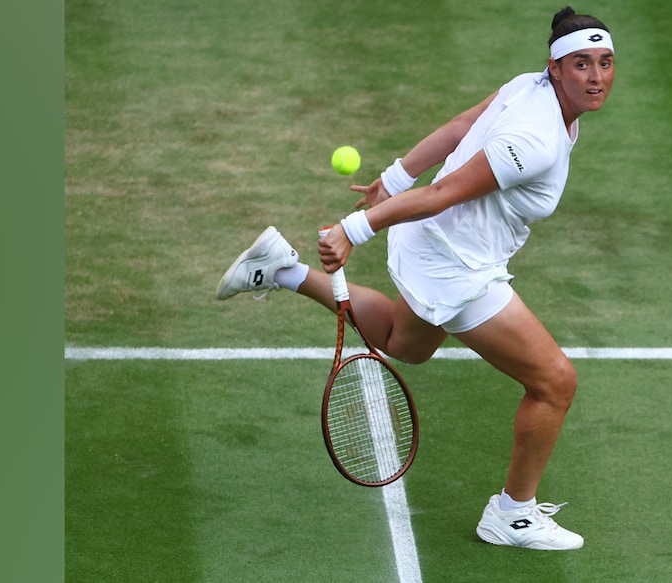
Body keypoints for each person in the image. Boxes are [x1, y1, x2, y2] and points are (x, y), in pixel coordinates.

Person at [215, 6, 615, 551]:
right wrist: (355, 229)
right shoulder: (537, 139)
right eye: (581, 65)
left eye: (605, 63)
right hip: (455, 262)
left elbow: (458, 129)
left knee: (406, 343)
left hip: (443, 247)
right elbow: (442, 194)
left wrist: (392, 177)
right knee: (554, 382)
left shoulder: (530, 87)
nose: (594, 77)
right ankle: (513, 515)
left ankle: (279, 269)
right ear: (556, 68)